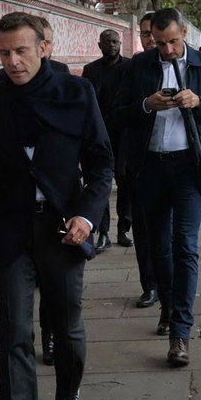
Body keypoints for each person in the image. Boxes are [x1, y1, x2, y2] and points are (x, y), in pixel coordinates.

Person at [0, 12, 114, 400]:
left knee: (65, 326)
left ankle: (67, 395)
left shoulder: (77, 93)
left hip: (63, 230)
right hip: (8, 231)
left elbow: (101, 164)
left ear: (44, 47)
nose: (13, 61)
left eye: (21, 51)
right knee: (14, 335)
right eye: (4, 53)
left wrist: (87, 215)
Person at [112, 7, 201, 367]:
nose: (166, 49)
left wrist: (199, 103)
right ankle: (167, 303)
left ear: (184, 33)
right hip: (149, 167)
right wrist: (145, 105)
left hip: (190, 167)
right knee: (158, 248)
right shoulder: (138, 66)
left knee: (185, 248)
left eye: (172, 41)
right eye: (159, 42)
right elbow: (115, 115)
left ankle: (181, 332)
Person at [81, 28, 131, 252]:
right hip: (98, 135)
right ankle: (103, 233)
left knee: (125, 183)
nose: (111, 45)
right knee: (99, 183)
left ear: (120, 44)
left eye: (115, 41)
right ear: (99, 45)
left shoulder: (130, 67)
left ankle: (123, 229)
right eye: (107, 42)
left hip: (123, 134)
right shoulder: (90, 70)